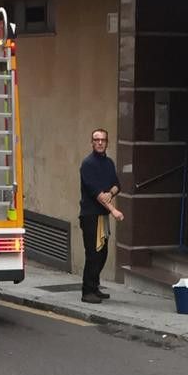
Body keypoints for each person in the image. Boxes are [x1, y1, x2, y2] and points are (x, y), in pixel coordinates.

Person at [78, 128, 123, 303]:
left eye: (103, 140)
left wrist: (110, 193)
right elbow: (95, 193)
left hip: (102, 215)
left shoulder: (109, 163)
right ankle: (87, 291)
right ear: (92, 142)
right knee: (93, 254)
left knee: (102, 254)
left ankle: (95, 287)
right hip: (90, 215)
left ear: (107, 142)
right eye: (96, 139)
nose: (99, 142)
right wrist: (114, 210)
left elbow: (117, 184)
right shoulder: (88, 164)